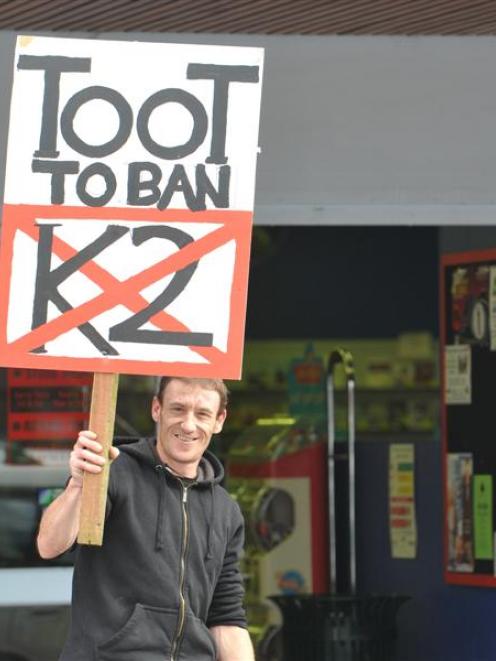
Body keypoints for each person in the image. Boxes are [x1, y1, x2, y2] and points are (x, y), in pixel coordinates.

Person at [37, 376, 255, 661]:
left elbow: (226, 618)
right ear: (157, 409)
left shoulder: (226, 511)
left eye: (202, 414)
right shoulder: (112, 472)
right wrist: (78, 485)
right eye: (178, 409)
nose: (188, 425)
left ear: (219, 420)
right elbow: (49, 545)